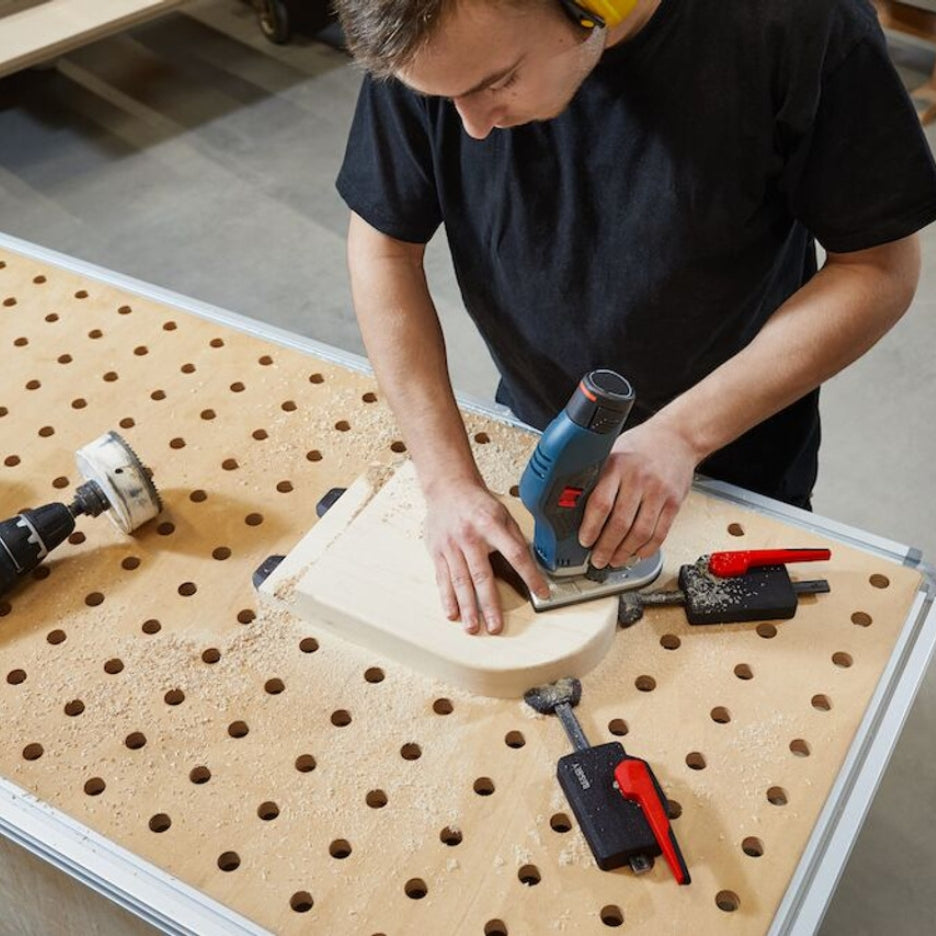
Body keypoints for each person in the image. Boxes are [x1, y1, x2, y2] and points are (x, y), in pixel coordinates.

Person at [333, 0, 936, 635]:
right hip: (538, 429)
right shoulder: (440, 41)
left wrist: (683, 435)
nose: (473, 126)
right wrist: (447, 480)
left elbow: (876, 269)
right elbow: (384, 247)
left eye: (496, 82)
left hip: (735, 455)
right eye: (445, 97)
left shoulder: (797, 23)